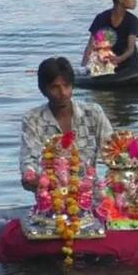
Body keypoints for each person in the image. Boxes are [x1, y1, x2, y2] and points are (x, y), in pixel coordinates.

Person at [20, 57, 114, 191]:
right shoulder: (33, 119)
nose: (63, 93)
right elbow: (28, 161)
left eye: (66, 86)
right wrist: (33, 178)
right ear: (43, 90)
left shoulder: (93, 113)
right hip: (52, 198)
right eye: (55, 87)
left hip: (91, 196)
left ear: (72, 86)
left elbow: (111, 152)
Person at [81, 0, 138, 71]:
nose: (135, 1)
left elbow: (130, 49)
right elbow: (91, 46)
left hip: (129, 65)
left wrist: (118, 59)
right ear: (121, 0)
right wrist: (83, 67)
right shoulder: (101, 19)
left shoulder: (132, 20)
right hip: (108, 64)